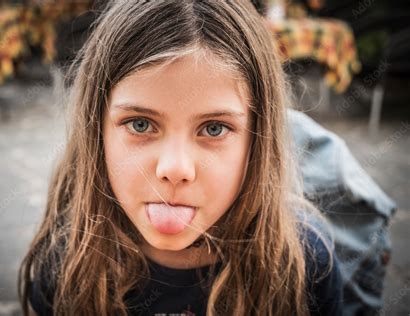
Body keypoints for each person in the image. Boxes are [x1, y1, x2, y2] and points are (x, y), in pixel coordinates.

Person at [18, 1, 344, 315]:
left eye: (214, 128)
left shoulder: (305, 266)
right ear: (96, 132)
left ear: (258, 141)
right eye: (140, 124)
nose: (175, 169)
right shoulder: (67, 257)